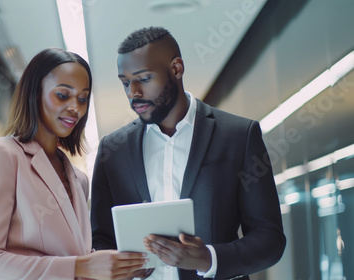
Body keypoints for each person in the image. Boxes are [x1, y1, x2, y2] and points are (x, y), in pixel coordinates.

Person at [90, 27, 286, 280]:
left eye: (145, 78)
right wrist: (119, 265)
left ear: (177, 69)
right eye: (126, 82)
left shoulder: (238, 135)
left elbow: (269, 239)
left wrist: (209, 259)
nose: (133, 92)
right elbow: (100, 238)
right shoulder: (112, 149)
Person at [0, 48, 148, 280]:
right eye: (63, 95)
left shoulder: (78, 179)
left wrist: (116, 266)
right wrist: (79, 267)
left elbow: (74, 255)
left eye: (82, 99)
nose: (76, 107)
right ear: (34, 93)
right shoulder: (1, 154)